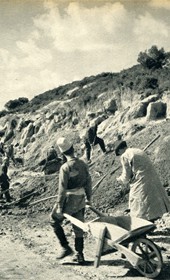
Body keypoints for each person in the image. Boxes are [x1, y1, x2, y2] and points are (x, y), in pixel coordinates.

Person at [50, 137, 92, 264]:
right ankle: (80, 255)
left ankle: (65, 247)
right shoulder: (83, 163)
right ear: (73, 149)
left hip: (69, 200)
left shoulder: (65, 167)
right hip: (81, 199)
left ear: (62, 153)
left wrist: (59, 206)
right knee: (78, 227)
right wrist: (89, 199)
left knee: (53, 220)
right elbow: (89, 183)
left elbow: (62, 189)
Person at [115, 140, 170, 222]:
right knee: (152, 201)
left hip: (141, 180)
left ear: (120, 150)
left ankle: (144, 226)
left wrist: (119, 179)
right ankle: (152, 221)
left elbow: (126, 176)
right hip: (152, 178)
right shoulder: (138, 150)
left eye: (118, 153)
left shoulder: (125, 156)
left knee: (137, 204)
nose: (120, 155)